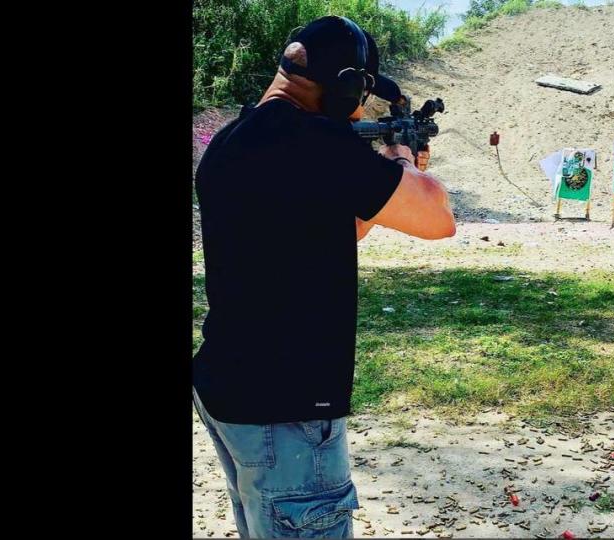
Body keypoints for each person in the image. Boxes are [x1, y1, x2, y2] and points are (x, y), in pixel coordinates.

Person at [192, 15, 456, 538]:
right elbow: (437, 218)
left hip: (231, 388)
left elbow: (327, 229)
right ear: (343, 87)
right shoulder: (311, 142)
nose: (359, 110)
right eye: (358, 95)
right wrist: (403, 161)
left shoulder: (232, 139)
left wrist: (384, 184)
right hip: (287, 402)